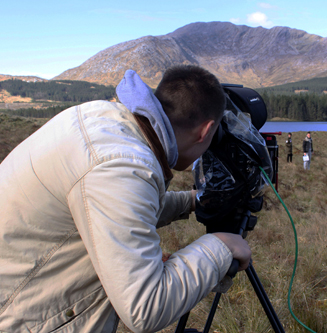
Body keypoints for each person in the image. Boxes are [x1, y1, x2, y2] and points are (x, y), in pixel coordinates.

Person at [0, 66, 252, 332]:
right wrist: (219, 246)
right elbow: (145, 308)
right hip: (18, 317)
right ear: (206, 131)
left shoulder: (109, 121)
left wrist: (192, 200)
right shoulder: (121, 166)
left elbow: (118, 206)